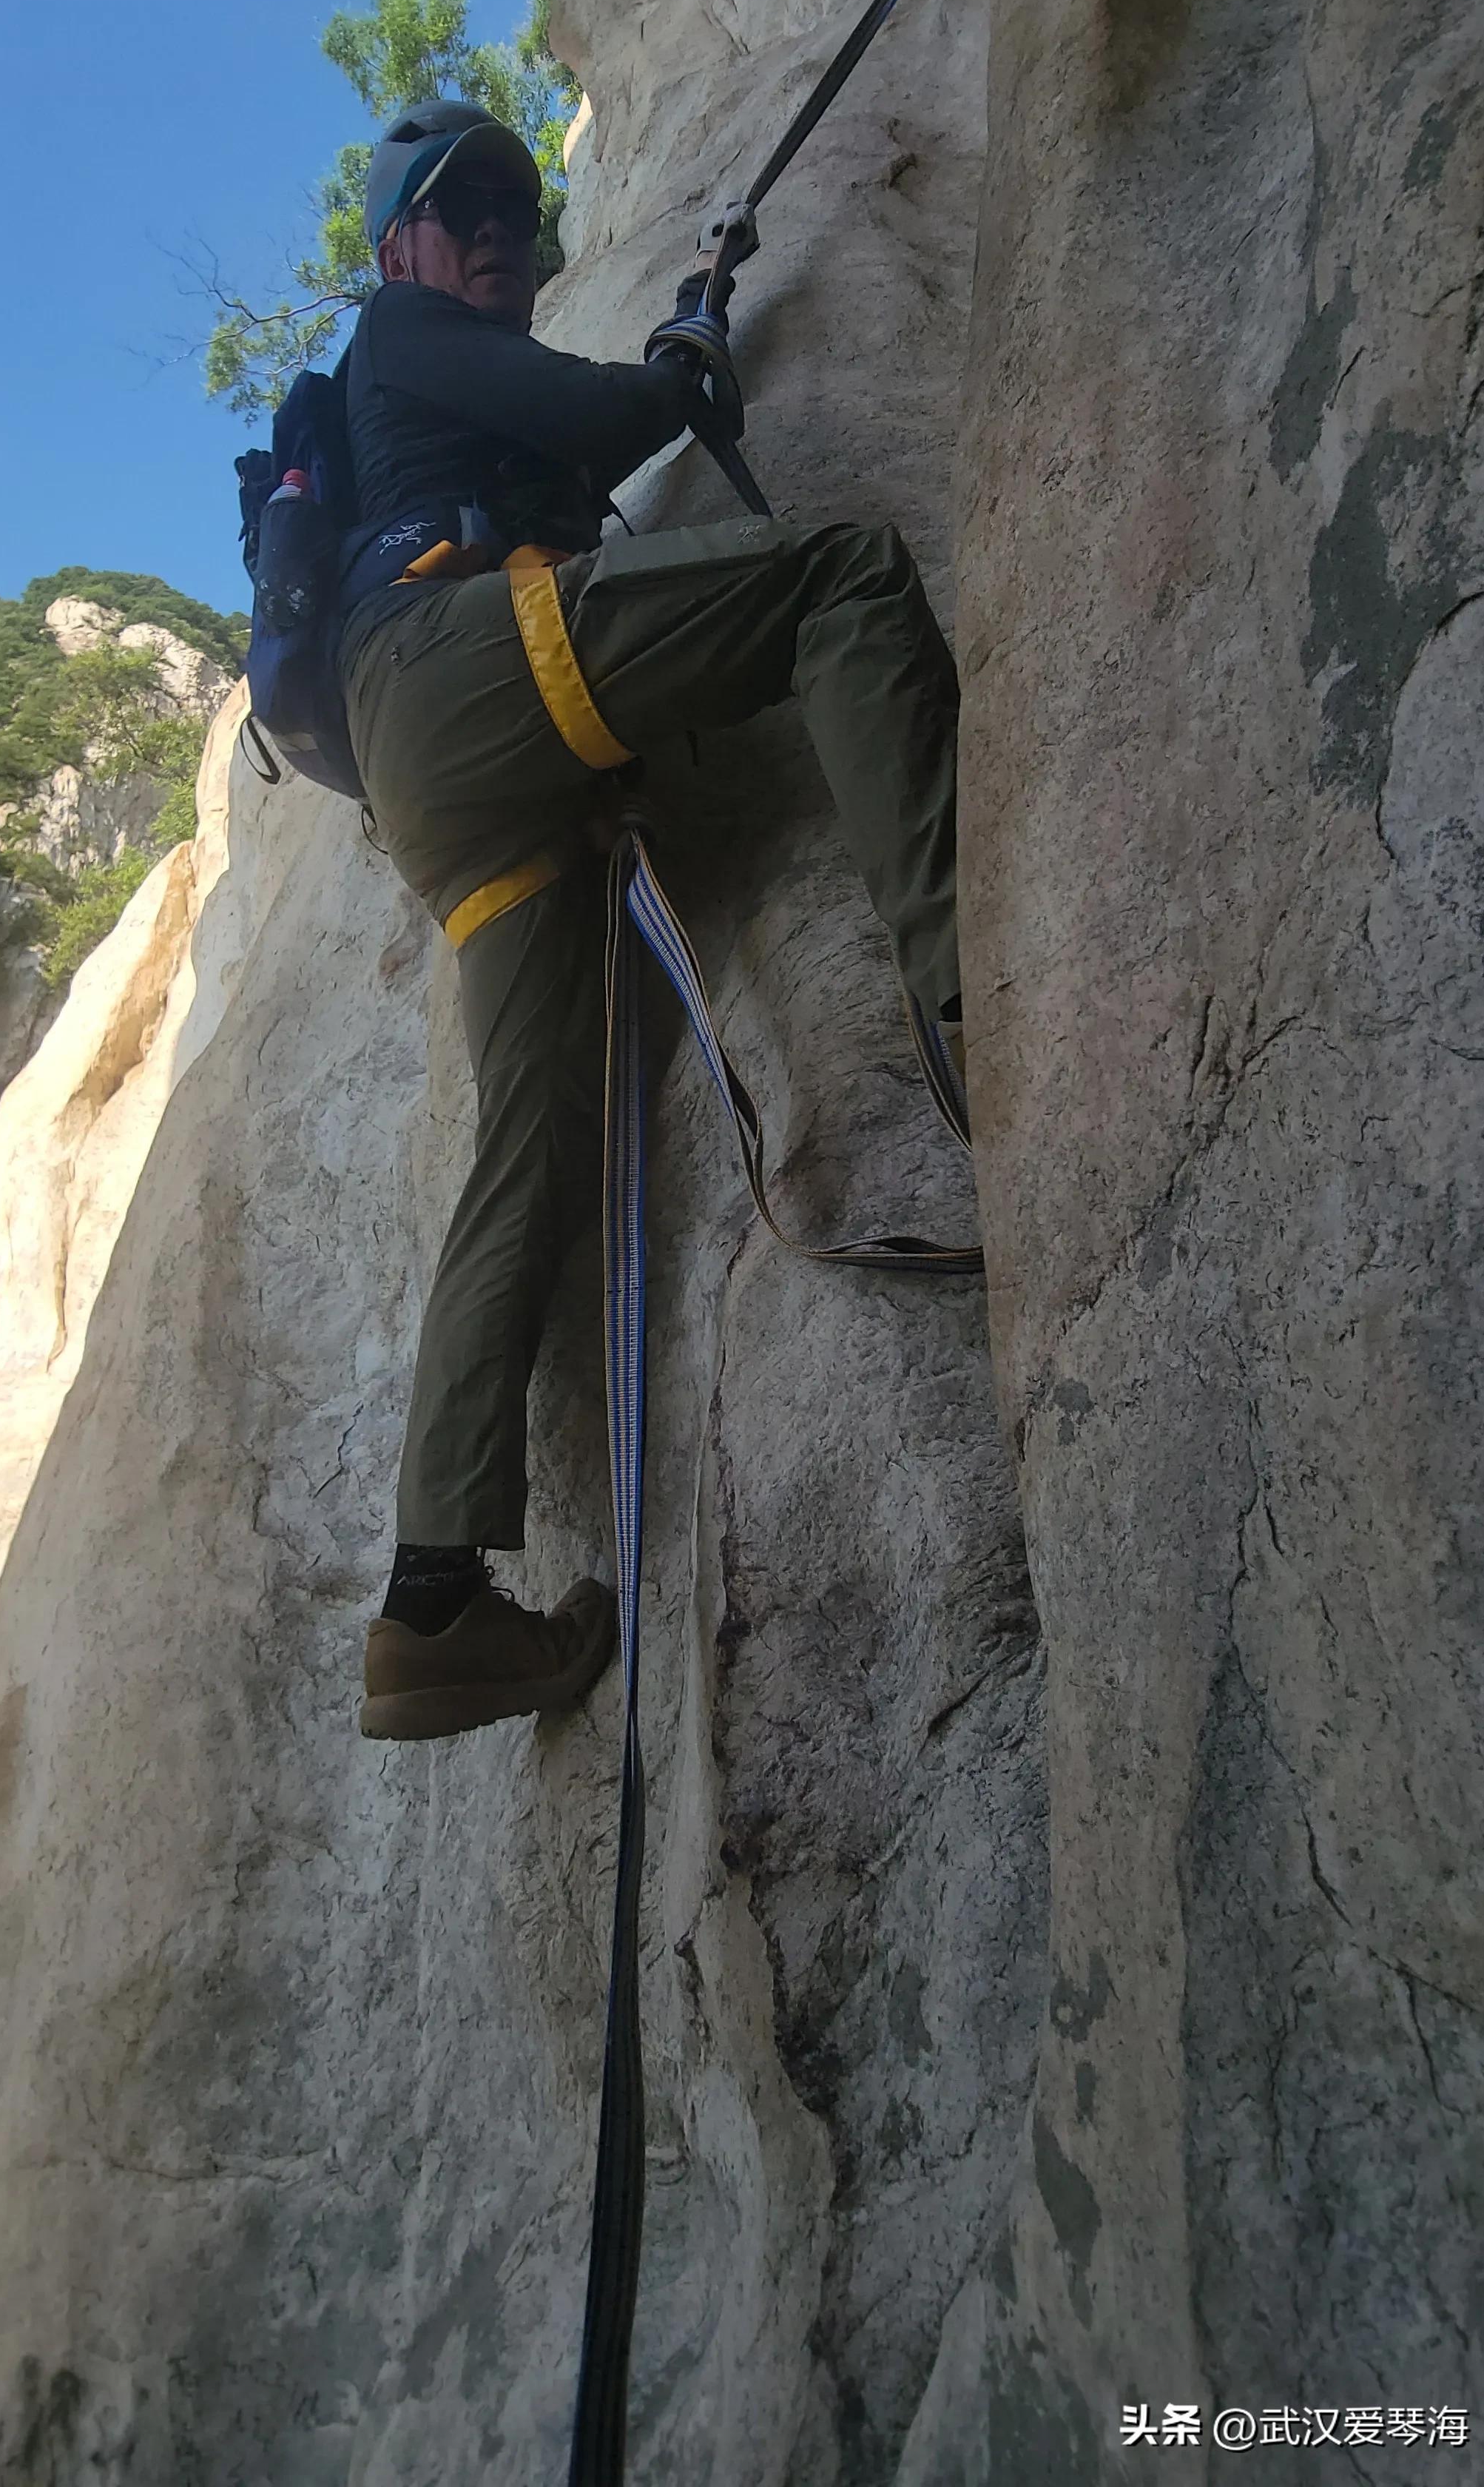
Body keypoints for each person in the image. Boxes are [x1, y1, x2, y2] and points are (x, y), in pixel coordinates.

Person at [341, 98, 965, 1744]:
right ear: (396, 247)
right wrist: (677, 363)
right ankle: (978, 1023)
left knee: (530, 1146)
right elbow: (600, 415)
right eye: (454, 203)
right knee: (837, 575)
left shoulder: (422, 410)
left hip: (447, 781)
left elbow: (572, 442)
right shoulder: (399, 338)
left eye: (508, 206)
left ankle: (433, 1605)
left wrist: (671, 362)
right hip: (460, 661)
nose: (488, 227)